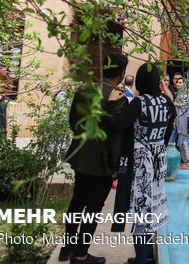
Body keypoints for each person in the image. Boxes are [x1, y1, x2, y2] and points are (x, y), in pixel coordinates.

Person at [59, 52, 129, 264]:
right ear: (122, 73)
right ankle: (80, 254)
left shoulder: (83, 90)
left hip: (81, 156)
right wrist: (116, 165)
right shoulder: (117, 97)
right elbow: (117, 136)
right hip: (103, 161)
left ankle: (67, 248)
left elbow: (73, 121)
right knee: (93, 208)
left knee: (77, 201)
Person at [112, 63, 175, 264]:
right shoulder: (167, 102)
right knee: (153, 206)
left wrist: (113, 104)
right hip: (159, 161)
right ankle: (147, 254)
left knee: (140, 208)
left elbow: (118, 126)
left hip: (140, 163)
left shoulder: (138, 103)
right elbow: (167, 132)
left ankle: (141, 257)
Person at [0, 66, 13, 131]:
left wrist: (1, 96)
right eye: (2, 70)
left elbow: (10, 90)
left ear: (7, 72)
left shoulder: (10, 79)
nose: (3, 72)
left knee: (3, 107)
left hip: (5, 96)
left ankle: (3, 128)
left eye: (5, 71)